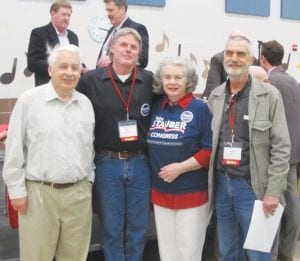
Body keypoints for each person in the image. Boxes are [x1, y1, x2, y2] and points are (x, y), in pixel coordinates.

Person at [3, 44, 95, 261]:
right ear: (50, 70)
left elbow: (88, 148)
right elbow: (14, 146)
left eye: (75, 67)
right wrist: (16, 190)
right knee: (37, 256)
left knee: (75, 257)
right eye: (63, 66)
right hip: (39, 194)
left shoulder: (85, 104)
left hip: (78, 194)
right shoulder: (29, 100)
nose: (69, 72)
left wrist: (88, 181)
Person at [208, 34, 291, 260]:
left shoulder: (269, 95)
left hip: (254, 189)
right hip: (223, 185)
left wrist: (273, 191)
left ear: (251, 59)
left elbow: (282, 147)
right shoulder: (216, 96)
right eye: (229, 53)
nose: (234, 58)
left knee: (258, 253)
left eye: (240, 54)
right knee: (227, 252)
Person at [77, 28, 153, 261]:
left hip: (140, 163)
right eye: (123, 45)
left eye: (133, 47)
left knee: (138, 228)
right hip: (106, 163)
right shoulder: (90, 80)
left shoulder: (149, 80)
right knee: (111, 228)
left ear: (139, 52)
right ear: (111, 48)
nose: (128, 50)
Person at [147, 56, 212, 261]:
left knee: (188, 253)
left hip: (192, 194)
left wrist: (180, 168)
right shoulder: (156, 106)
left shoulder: (200, 109)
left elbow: (209, 151)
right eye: (167, 77)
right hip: (161, 193)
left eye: (178, 77)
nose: (172, 82)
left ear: (188, 81)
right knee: (167, 253)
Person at [260, 40, 300, 261]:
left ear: (262, 59)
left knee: (274, 205)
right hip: (294, 152)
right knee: (293, 205)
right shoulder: (293, 80)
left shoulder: (269, 82)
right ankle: (287, 253)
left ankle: (274, 254)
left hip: (277, 154)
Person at [27, 0, 81, 86]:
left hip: (69, 88)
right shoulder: (39, 33)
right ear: (53, 14)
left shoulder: (73, 36)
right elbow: (33, 63)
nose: (67, 18)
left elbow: (74, 60)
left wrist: (83, 67)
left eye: (69, 15)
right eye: (63, 14)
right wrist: (59, 66)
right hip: (47, 87)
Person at [96, 0, 149, 69]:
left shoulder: (137, 29)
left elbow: (143, 60)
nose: (108, 14)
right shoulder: (111, 30)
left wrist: (113, 60)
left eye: (111, 10)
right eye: (107, 11)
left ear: (122, 9)